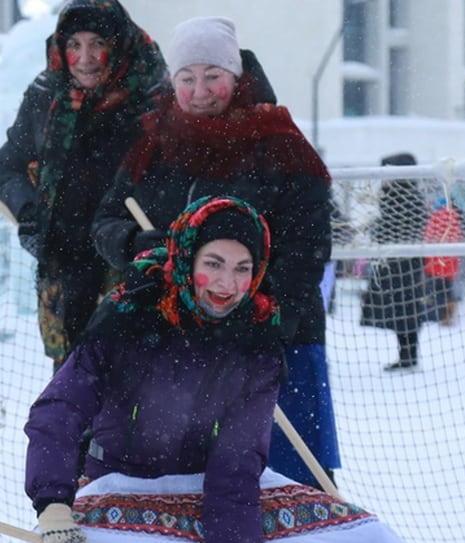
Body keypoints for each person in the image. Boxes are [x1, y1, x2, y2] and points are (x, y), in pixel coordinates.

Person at [7, 196, 452, 543]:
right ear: (187, 258)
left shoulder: (257, 335)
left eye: (243, 268)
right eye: (213, 264)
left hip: (219, 493)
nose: (227, 285)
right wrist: (54, 507)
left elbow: (236, 462)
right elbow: (57, 413)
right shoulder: (127, 314)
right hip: (123, 483)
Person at [92, 15, 339, 488]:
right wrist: (134, 244)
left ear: (236, 77)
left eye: (212, 76)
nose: (199, 90)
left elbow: (307, 250)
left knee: (286, 475)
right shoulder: (154, 144)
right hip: (176, 339)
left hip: (274, 338)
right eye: (186, 78)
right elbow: (106, 220)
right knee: (190, 479)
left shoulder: (280, 146)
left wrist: (259, 316)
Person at [0, 0, 167, 368]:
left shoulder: (153, 98)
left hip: (133, 272)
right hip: (66, 273)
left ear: (117, 44)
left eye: (97, 43)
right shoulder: (46, 97)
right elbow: (7, 167)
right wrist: (30, 217)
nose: (85, 58)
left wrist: (136, 240)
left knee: (130, 399)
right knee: (69, 401)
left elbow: (169, 182)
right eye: (74, 45)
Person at [360, 152, 431, 371]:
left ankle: (408, 356)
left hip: (404, 263)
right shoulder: (394, 196)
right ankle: (406, 355)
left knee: (406, 308)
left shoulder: (406, 198)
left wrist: (381, 232)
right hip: (394, 262)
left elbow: (402, 228)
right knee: (401, 309)